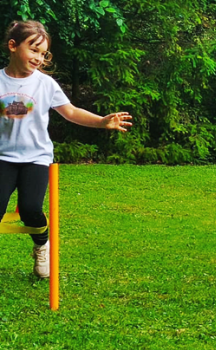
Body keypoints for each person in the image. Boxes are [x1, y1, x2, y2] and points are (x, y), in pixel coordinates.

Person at [0, 20, 133, 278]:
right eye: (33, 50)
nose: (39, 58)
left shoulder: (45, 84)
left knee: (30, 209)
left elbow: (70, 112)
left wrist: (101, 121)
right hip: (2, 156)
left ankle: (41, 246)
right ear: (13, 46)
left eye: (43, 53)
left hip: (36, 158)